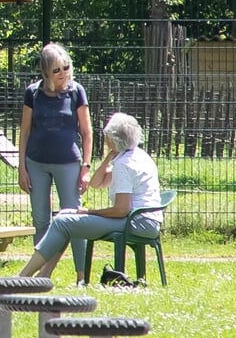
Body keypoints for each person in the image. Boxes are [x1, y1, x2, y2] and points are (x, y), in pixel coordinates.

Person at [18, 112, 163, 285]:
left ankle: (22, 278)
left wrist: (89, 212)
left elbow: (121, 210)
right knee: (65, 216)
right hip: (144, 221)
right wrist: (110, 156)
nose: (106, 139)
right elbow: (96, 183)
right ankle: (43, 276)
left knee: (63, 222)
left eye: (108, 136)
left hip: (136, 222)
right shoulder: (136, 155)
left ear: (115, 139)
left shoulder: (125, 165)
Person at [18, 43, 95, 279]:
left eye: (66, 67)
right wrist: (22, 167)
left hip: (69, 163)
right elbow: (25, 132)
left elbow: (87, 132)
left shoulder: (76, 91)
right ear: (45, 73)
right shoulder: (33, 92)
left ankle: (81, 276)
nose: (63, 73)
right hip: (36, 163)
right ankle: (42, 274)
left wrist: (86, 168)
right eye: (56, 70)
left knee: (73, 218)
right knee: (41, 220)